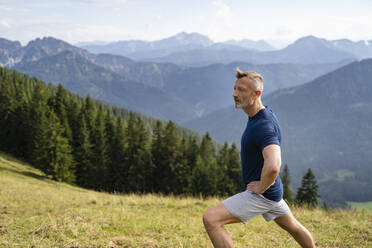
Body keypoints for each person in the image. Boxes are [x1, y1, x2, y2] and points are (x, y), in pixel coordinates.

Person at [202, 69, 316, 248]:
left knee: (211, 219)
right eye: (234, 88)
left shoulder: (263, 125)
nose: (234, 94)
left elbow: (273, 166)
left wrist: (261, 186)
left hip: (262, 195)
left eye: (241, 90)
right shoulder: (259, 116)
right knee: (293, 227)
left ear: (257, 94)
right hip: (273, 191)